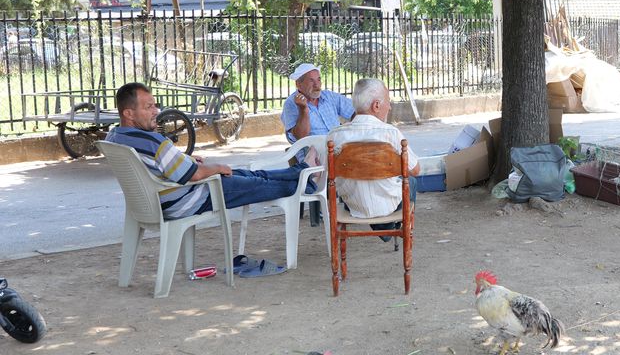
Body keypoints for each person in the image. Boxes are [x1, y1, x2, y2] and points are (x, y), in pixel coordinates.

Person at [106, 83, 309, 218]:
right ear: (129, 113)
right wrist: (218, 166)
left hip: (156, 201)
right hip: (187, 199)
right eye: (148, 107)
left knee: (250, 175)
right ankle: (308, 185)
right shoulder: (152, 141)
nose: (156, 111)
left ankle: (302, 171)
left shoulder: (115, 137)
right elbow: (194, 174)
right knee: (255, 182)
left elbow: (157, 163)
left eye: (154, 105)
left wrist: (182, 158)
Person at [329, 78, 420, 238]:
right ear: (376, 105)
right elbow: (415, 169)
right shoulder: (391, 133)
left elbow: (326, 174)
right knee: (411, 181)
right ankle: (387, 227)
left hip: (353, 206)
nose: (390, 107)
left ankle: (383, 226)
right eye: (388, 102)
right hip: (388, 206)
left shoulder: (334, 135)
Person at [281, 62, 355, 160]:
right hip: (313, 154)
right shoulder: (291, 103)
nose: (317, 85)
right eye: (311, 81)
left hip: (337, 148)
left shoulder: (329, 96)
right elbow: (301, 136)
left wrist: (353, 127)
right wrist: (303, 109)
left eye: (318, 79)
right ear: (299, 84)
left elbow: (357, 109)